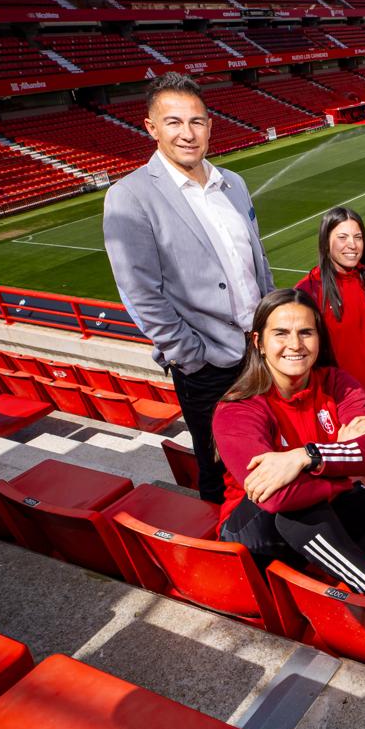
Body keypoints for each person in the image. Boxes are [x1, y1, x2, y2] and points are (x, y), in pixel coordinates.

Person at [212, 288, 365, 602]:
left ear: (319, 339)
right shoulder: (238, 408)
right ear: (258, 342)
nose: (295, 344)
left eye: (306, 332)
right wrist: (339, 466)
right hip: (256, 532)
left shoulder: (336, 383)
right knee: (296, 508)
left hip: (326, 505)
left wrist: (307, 456)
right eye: (281, 333)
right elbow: (275, 498)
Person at [104, 72, 273, 505]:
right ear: (151, 128)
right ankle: (227, 552)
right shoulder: (130, 196)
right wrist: (189, 356)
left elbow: (258, 263)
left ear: (210, 126)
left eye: (197, 121)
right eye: (174, 121)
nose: (187, 133)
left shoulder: (232, 183)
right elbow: (139, 292)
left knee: (267, 454)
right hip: (206, 365)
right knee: (217, 466)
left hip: (259, 353)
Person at [296, 207, 365, 487]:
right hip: (345, 405)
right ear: (326, 241)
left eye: (357, 237)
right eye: (342, 237)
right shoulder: (308, 291)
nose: (352, 245)